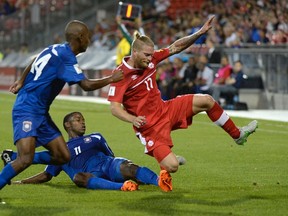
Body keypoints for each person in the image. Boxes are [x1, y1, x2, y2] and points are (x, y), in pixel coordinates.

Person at [107, 15, 258, 191]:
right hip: (149, 126)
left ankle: (237, 135)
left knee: (207, 101)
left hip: (166, 109)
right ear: (135, 53)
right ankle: (167, 160)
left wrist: (200, 33)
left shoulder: (151, 59)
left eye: (151, 54)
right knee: (172, 166)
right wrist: (132, 120)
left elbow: (175, 47)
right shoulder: (121, 74)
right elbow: (114, 108)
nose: (150, 59)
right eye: (147, 55)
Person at [0, 20, 123, 190]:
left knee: (63, 156)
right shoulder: (66, 57)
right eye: (87, 36)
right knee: (25, 159)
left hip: (40, 112)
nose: (89, 39)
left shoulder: (55, 48)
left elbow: (35, 60)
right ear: (80, 38)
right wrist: (111, 79)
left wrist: (21, 80)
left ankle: (11, 158)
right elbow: (86, 85)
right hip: (27, 108)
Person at [2, 112, 172, 192]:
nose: (83, 123)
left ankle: (160, 181)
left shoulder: (96, 137)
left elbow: (111, 157)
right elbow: (45, 175)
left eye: (83, 120)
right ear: (67, 125)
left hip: (107, 165)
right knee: (78, 178)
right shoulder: (60, 152)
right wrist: (21, 181)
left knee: (127, 166)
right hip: (90, 175)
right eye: (78, 120)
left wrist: (120, 167)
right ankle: (124, 187)